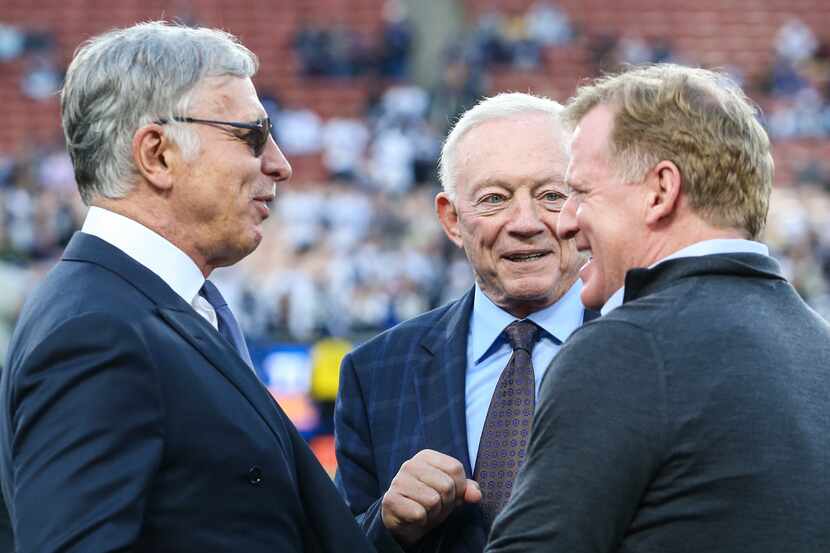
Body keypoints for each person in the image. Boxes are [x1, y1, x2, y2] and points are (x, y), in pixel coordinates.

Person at [0, 21, 376, 553]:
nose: (281, 164)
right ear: (157, 154)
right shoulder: (96, 333)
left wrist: (390, 524)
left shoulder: (152, 308)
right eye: (251, 136)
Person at [486, 64, 830, 552]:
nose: (563, 223)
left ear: (660, 192)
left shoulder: (625, 350)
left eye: (580, 192)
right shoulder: (819, 348)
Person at [335, 92, 595, 553]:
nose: (525, 221)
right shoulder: (375, 372)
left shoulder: (653, 348)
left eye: (552, 195)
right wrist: (388, 522)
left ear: (585, 205)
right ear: (452, 220)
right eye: (494, 199)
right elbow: (335, 540)